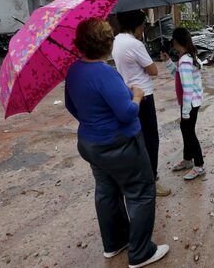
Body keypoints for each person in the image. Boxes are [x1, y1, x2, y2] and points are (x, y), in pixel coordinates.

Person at [65, 18, 169, 267]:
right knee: (141, 192)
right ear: (106, 43)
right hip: (119, 145)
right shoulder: (106, 73)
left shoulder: (74, 70)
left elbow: (71, 105)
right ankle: (141, 252)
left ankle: (114, 243)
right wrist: (137, 96)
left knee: (107, 192)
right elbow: (126, 113)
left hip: (90, 144)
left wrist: (94, 122)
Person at [112, 10, 170, 197]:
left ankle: (136, 177)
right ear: (136, 25)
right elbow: (153, 70)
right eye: (143, 25)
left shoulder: (117, 40)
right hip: (143, 96)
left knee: (134, 139)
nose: (144, 28)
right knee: (151, 140)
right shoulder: (135, 44)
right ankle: (151, 180)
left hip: (126, 93)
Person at [160, 28, 205, 181]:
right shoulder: (185, 58)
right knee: (186, 129)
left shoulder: (185, 60)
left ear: (176, 41)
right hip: (190, 102)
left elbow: (187, 88)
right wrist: (168, 61)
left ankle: (199, 165)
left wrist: (185, 111)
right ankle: (187, 159)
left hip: (190, 103)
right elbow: (177, 75)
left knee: (189, 132)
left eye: (173, 39)